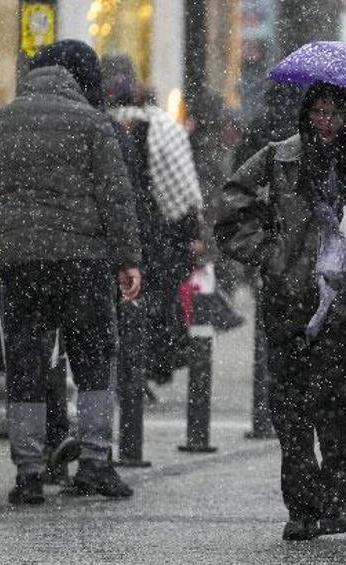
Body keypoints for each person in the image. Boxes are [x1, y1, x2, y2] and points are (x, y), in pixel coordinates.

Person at [216, 82, 346, 541]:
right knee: (291, 409)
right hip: (288, 302)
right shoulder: (277, 158)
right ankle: (302, 505)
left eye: (336, 114)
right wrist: (270, 252)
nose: (326, 123)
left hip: (342, 306)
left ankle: (337, 495)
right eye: (319, 112)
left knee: (340, 407)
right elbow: (230, 207)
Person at [0, 40, 142, 504]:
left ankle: (30, 474)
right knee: (94, 359)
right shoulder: (93, 123)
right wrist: (128, 259)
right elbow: (115, 197)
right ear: (77, 80)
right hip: (84, 263)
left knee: (26, 365)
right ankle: (95, 462)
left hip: (21, 263)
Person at [103, 55, 204, 388]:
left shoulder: (101, 126)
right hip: (157, 231)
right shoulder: (161, 126)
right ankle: (146, 367)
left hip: (119, 231)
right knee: (154, 300)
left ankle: (129, 371)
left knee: (125, 305)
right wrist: (190, 232)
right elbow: (183, 188)